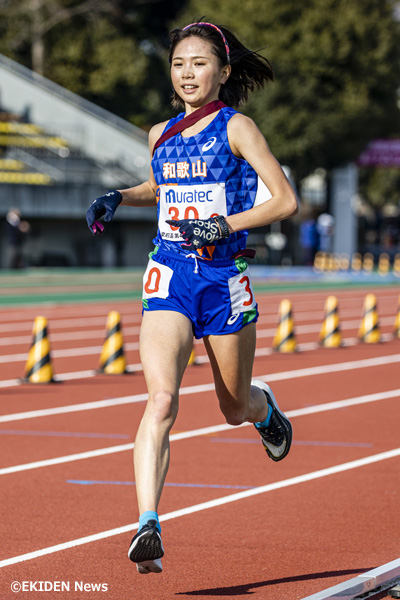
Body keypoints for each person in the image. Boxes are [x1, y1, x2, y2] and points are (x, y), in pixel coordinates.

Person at [86, 21, 298, 575]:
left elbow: (284, 201)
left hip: (223, 279)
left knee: (231, 410)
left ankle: (262, 407)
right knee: (161, 401)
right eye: (179, 64)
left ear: (222, 73)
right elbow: (161, 187)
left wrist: (223, 224)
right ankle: (147, 522)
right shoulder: (159, 133)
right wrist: (117, 196)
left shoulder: (238, 128)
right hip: (169, 275)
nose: (187, 73)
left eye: (199, 64)